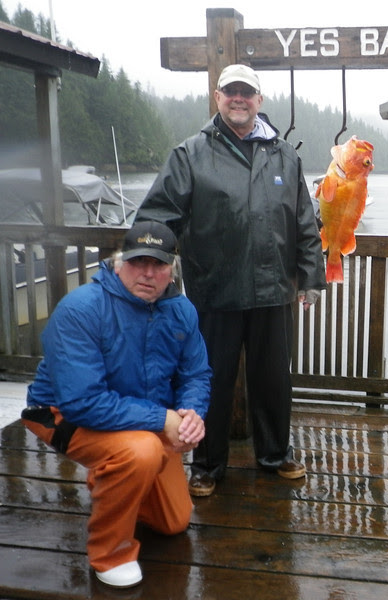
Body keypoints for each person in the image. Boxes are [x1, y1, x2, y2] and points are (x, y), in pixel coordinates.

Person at [135, 63, 326, 498]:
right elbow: (157, 217)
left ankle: (275, 454)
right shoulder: (190, 153)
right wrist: (148, 268)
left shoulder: (285, 155)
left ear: (259, 100)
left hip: (274, 291)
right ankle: (206, 464)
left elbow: (304, 222)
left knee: (274, 380)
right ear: (218, 97)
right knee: (209, 382)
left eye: (247, 92)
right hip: (214, 292)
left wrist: (311, 276)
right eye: (231, 91)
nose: (239, 99)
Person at [21, 221, 212, 588]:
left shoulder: (182, 310)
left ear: (172, 269)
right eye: (139, 262)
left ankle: (111, 477)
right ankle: (111, 554)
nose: (148, 274)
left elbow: (196, 374)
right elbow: (82, 402)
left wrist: (191, 413)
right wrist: (162, 419)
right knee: (140, 452)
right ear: (120, 262)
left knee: (174, 521)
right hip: (60, 414)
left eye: (158, 264)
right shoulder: (81, 309)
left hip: (138, 416)